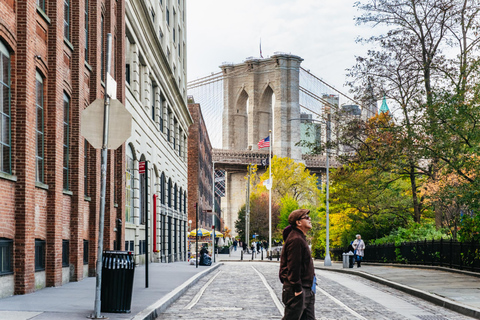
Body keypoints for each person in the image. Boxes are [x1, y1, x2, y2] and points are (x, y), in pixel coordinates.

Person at [279, 209, 315, 320]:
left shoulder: (300, 238)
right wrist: (298, 289)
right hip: (298, 290)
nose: (310, 219)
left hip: (306, 288)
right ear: (298, 223)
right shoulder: (296, 239)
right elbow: (293, 267)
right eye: (306, 217)